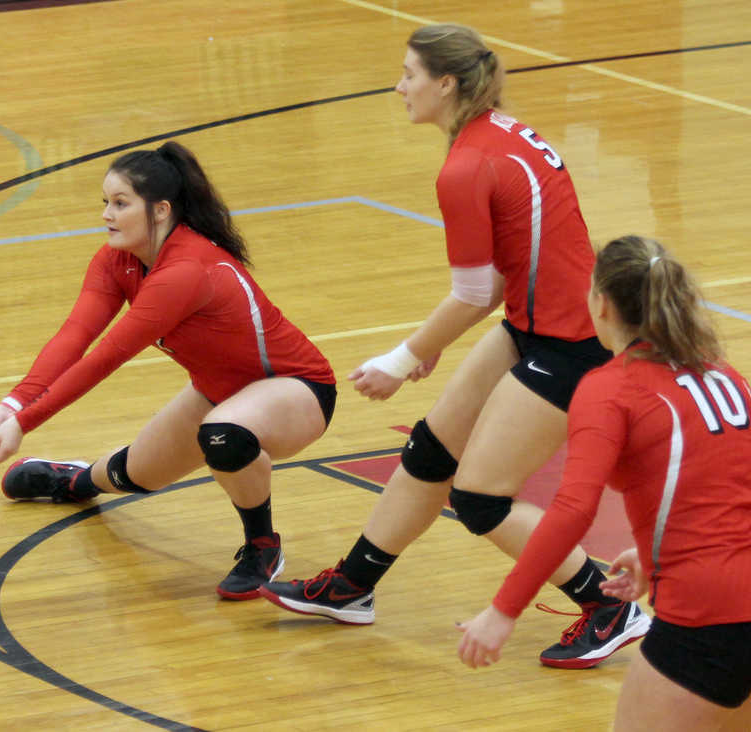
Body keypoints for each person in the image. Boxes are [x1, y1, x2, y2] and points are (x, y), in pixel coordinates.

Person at [260, 23, 650, 668]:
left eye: (409, 74)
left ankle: (608, 604)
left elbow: (473, 292)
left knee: (480, 498)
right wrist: (436, 341)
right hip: (538, 320)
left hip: (573, 342)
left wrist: (404, 357)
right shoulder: (502, 132)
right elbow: (500, 273)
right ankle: (353, 586)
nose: (399, 86)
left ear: (445, 83)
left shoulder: (467, 165)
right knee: (432, 448)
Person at [457, 235, 751, 730]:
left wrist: (503, 611)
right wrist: (653, 556)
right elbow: (719, 494)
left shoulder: (609, 388)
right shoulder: (721, 372)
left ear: (600, 303)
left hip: (711, 619)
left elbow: (572, 510)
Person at [0, 141, 337, 601]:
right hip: (218, 393)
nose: (107, 214)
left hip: (296, 390)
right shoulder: (117, 260)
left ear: (161, 209)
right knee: (136, 474)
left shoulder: (186, 270)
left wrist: (25, 422)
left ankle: (262, 547)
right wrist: (14, 401)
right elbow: (75, 336)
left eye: (120, 203)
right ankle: (73, 480)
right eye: (105, 203)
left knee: (224, 434)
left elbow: (105, 357)